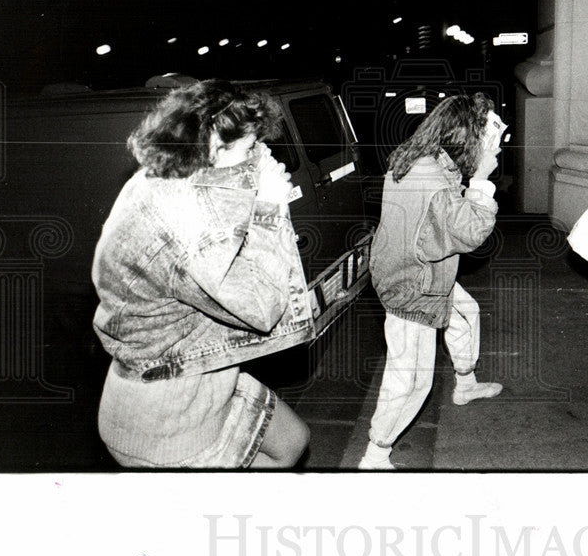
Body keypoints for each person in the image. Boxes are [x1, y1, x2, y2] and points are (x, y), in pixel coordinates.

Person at [92, 79, 311, 468]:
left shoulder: (176, 172)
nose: (257, 157)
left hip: (204, 374)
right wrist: (269, 207)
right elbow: (262, 308)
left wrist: (256, 168)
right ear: (211, 146)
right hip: (166, 415)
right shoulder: (183, 222)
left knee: (294, 441)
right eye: (249, 149)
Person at [359, 93, 506, 470]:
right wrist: (481, 179)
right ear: (462, 138)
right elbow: (470, 232)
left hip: (414, 268)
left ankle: (466, 382)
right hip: (415, 286)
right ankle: (375, 456)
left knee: (465, 312)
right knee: (410, 380)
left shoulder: (418, 156)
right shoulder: (435, 182)